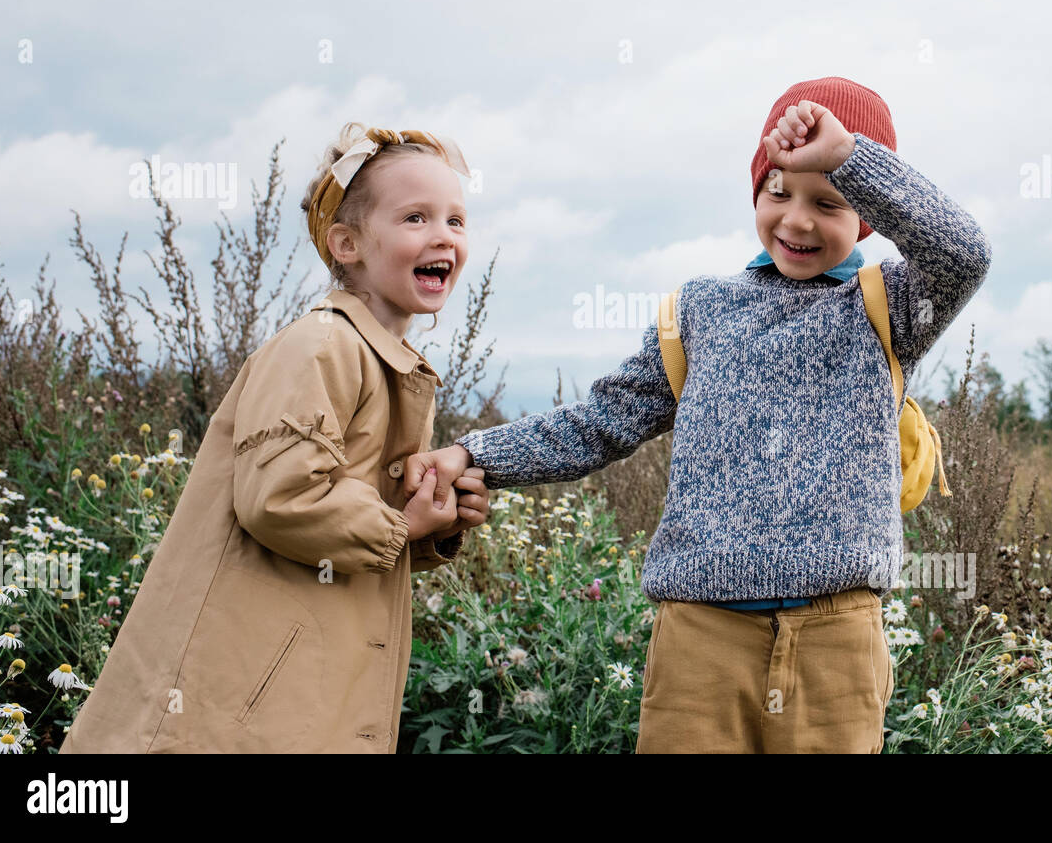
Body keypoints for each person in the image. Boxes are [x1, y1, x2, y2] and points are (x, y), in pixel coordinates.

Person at [409, 77, 992, 752]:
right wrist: (474, 456)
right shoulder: (700, 312)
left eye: (828, 200)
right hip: (699, 643)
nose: (797, 220)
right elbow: (602, 419)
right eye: (778, 190)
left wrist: (849, 155)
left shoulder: (886, 306)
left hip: (836, 643)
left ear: (863, 208)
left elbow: (964, 252)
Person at [60, 124, 489, 753]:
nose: (443, 236)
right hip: (250, 675)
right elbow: (281, 498)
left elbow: (353, 517)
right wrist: (405, 526)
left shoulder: (387, 360)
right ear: (346, 244)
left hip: (313, 666)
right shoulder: (321, 346)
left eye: (456, 220)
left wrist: (434, 521)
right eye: (415, 217)